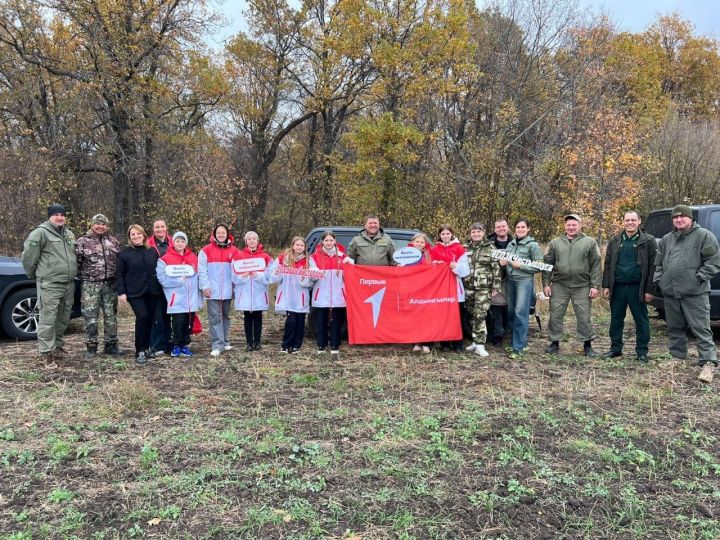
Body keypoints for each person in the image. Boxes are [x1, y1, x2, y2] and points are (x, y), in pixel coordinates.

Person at [653, 205, 720, 383]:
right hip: (671, 292)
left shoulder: (704, 236)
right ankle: (677, 357)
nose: (679, 220)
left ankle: (708, 363)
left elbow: (714, 261)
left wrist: (700, 277)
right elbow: (658, 263)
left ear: (691, 219)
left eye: (683, 217)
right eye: (676, 217)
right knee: (674, 327)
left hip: (695, 292)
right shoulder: (667, 239)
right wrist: (660, 280)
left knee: (701, 328)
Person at [21, 204, 78, 367]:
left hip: (68, 283)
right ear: (49, 216)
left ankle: (58, 346)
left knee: (63, 317)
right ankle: (47, 353)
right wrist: (35, 275)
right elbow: (29, 258)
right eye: (56, 215)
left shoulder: (69, 234)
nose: (60, 217)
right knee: (48, 318)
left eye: (62, 214)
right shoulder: (40, 233)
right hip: (50, 284)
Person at [543, 214, 601, 357]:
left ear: (580, 225)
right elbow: (547, 264)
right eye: (568, 225)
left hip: (582, 285)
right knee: (555, 314)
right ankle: (554, 343)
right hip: (559, 284)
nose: (571, 227)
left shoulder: (590, 242)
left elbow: (596, 265)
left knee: (584, 316)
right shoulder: (555, 242)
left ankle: (587, 345)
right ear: (564, 226)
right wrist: (546, 283)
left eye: (574, 224)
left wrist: (595, 286)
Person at [602, 211, 657, 363]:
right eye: (627, 220)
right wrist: (606, 285)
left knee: (641, 320)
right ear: (623, 222)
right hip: (618, 287)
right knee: (616, 319)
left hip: (637, 288)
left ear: (639, 221)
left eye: (633, 220)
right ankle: (615, 348)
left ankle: (641, 351)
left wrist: (649, 290)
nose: (630, 223)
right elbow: (607, 263)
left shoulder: (648, 241)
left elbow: (653, 267)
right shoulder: (615, 240)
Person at [75, 213, 123, 359]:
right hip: (90, 286)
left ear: (107, 226)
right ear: (92, 225)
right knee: (90, 318)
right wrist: (85, 277)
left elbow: (120, 263)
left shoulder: (113, 242)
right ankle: (91, 347)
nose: (100, 226)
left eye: (103, 224)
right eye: (98, 224)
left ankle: (111, 345)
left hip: (110, 285)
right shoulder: (82, 241)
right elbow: (75, 263)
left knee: (110, 317)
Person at [117, 225, 162, 365]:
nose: (136, 236)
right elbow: (120, 274)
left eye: (138, 234)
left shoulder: (152, 251)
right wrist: (121, 292)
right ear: (130, 237)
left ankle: (147, 347)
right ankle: (140, 351)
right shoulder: (125, 253)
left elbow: (160, 270)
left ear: (143, 235)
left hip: (153, 291)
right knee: (142, 317)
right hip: (135, 292)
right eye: (132, 235)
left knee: (150, 319)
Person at [499, 218, 544, 359]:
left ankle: (517, 347)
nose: (520, 229)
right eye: (518, 227)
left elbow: (539, 266)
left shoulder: (533, 245)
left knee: (521, 312)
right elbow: (506, 261)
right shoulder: (511, 244)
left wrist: (522, 266)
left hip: (524, 282)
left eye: (523, 227)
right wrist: (503, 263)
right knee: (511, 312)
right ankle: (519, 341)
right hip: (510, 281)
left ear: (528, 229)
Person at [157, 232, 201, 357]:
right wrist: (177, 281)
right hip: (176, 298)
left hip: (191, 298)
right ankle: (176, 345)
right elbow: (162, 278)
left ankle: (184, 345)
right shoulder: (165, 259)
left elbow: (200, 275)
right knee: (178, 322)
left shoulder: (193, 257)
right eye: (177, 241)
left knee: (189, 322)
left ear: (186, 243)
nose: (180, 243)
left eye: (182, 241)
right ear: (173, 242)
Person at [199, 224, 238, 357]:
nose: (221, 235)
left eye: (223, 233)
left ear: (227, 234)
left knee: (226, 316)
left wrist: (235, 287)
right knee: (215, 317)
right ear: (214, 234)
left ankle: (225, 341)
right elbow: (202, 270)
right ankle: (217, 344)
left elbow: (237, 270)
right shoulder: (206, 250)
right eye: (219, 233)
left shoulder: (234, 250)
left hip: (228, 290)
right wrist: (205, 286)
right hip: (212, 290)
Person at [269, 236, 314, 353]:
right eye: (297, 245)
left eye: (302, 245)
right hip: (287, 294)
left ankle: (296, 345)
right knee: (291, 320)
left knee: (300, 321)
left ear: (305, 247)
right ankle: (286, 344)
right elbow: (272, 275)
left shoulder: (308, 260)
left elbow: (314, 276)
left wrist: (306, 278)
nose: (299, 247)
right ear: (293, 245)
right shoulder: (282, 258)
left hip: (301, 295)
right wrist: (278, 273)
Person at [310, 231, 351, 356]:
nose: (328, 243)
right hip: (321, 294)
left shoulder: (343, 257)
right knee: (321, 321)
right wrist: (314, 272)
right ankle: (321, 346)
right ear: (322, 242)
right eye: (326, 240)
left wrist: (351, 263)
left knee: (336, 321)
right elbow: (311, 274)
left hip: (338, 295)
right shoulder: (314, 256)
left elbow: (349, 275)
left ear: (335, 241)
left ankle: (335, 346)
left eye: (331, 240)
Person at [463, 223, 501, 357]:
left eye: (479, 232)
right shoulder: (465, 247)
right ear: (470, 234)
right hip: (468, 286)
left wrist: (496, 286)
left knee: (480, 314)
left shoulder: (490, 247)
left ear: (483, 233)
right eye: (473, 232)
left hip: (484, 287)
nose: (476, 234)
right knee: (472, 314)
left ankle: (480, 345)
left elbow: (496, 268)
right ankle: (475, 340)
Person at [430, 224, 470, 352]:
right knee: (443, 316)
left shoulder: (459, 248)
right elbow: (429, 268)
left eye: (448, 233)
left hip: (455, 286)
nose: (445, 236)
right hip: (440, 288)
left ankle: (457, 344)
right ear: (439, 235)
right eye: (443, 234)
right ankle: (445, 343)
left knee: (457, 316)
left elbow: (465, 271)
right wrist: (436, 265)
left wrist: (455, 267)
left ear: (452, 234)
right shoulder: (435, 249)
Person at [232, 231, 274, 351]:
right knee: (247, 318)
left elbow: (270, 275)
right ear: (246, 241)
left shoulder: (265, 256)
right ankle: (249, 343)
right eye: (249, 239)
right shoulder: (238, 255)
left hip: (259, 292)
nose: (251, 241)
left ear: (257, 241)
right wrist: (242, 276)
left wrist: (259, 275)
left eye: (254, 239)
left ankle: (257, 342)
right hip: (244, 292)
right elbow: (233, 276)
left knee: (258, 317)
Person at [487, 219, 512, 346]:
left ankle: (509, 332)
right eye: (498, 227)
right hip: (495, 279)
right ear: (495, 229)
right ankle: (498, 334)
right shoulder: (488, 243)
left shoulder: (514, 242)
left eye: (503, 226)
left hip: (512, 279)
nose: (501, 228)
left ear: (507, 228)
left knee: (510, 307)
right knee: (496, 306)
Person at [148, 218, 171, 356]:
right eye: (157, 227)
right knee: (157, 316)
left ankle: (169, 342)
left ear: (166, 227)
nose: (160, 229)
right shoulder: (148, 244)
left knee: (170, 315)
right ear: (153, 229)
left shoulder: (174, 242)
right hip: (155, 285)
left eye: (162, 226)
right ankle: (157, 345)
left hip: (172, 286)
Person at [409, 233, 433, 354]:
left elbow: (433, 269)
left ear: (425, 244)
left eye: (422, 242)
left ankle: (426, 343)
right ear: (413, 242)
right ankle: (416, 342)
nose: (419, 244)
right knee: (414, 316)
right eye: (417, 241)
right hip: (412, 289)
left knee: (426, 316)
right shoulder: (406, 254)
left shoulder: (429, 255)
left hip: (426, 289)